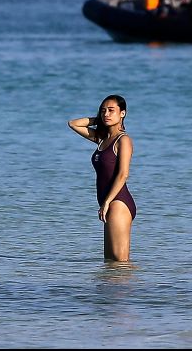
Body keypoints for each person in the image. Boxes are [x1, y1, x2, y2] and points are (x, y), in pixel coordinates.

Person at [68, 95, 136, 262]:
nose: (106, 114)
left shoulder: (123, 140)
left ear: (123, 113)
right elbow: (73, 123)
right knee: (109, 262)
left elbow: (123, 174)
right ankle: (109, 289)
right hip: (108, 203)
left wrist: (106, 203)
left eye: (111, 110)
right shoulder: (102, 139)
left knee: (120, 261)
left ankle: (133, 288)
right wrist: (99, 119)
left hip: (118, 203)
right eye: (103, 111)